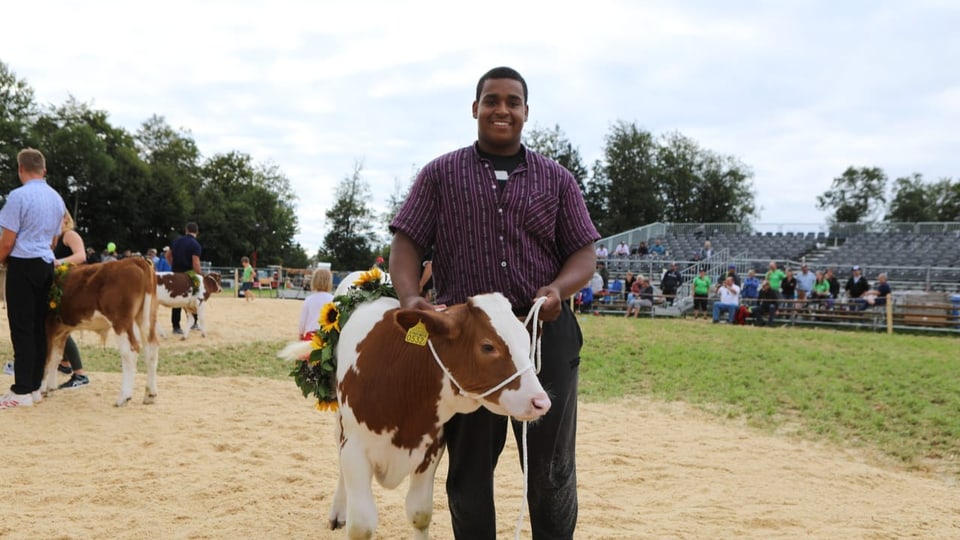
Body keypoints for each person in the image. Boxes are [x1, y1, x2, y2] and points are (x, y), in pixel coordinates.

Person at [388, 66, 599, 539]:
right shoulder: (440, 174)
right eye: (491, 100)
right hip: (469, 343)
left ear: (526, 111)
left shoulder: (557, 179)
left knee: (551, 468)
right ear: (475, 108)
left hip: (542, 331)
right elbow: (406, 242)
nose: (501, 109)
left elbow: (584, 253)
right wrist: (411, 296)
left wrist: (557, 289)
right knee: (469, 471)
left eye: (513, 101)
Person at [0, 148, 66, 409]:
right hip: (45, 264)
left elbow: (6, 242)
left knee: (22, 328)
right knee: (39, 327)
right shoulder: (57, 199)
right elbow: (55, 239)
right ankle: (35, 387)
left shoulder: (18, 197)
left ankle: (21, 390)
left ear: (20, 169)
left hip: (22, 265)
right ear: (44, 170)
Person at [52, 211, 90, 389]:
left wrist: (59, 262)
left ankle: (80, 373)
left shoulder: (70, 235)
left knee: (61, 328)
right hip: (59, 285)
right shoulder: (54, 237)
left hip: (69, 286)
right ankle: (66, 365)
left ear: (66, 218)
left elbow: (81, 256)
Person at [167, 222, 202, 335]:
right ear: (196, 232)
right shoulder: (195, 244)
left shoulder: (176, 241)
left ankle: (176, 326)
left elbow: (168, 255)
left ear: (186, 230)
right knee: (193, 298)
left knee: (177, 299)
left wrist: (173, 265)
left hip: (176, 273)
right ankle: (193, 322)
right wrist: (200, 275)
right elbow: (195, 263)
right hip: (188, 274)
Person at [297, 268, 334, 339]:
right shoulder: (333, 299)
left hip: (311, 336)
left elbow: (302, 320)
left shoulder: (309, 299)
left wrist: (301, 333)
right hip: (327, 337)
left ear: (314, 281)